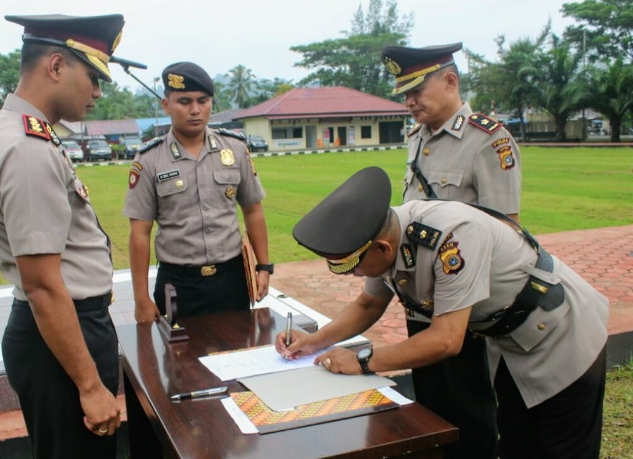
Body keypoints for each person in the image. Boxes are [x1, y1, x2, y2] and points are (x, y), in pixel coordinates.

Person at [278, 167, 608, 459]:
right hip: (512, 342)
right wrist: (315, 340)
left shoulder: (452, 237)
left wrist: (362, 360)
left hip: (562, 333)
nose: (353, 275)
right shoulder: (382, 235)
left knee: (563, 448)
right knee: (517, 445)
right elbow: (368, 305)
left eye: (351, 266)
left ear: (382, 248)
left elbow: (446, 340)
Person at [0, 14, 140, 458]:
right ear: (55, 66)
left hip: (60, 334)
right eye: (93, 76)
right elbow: (44, 285)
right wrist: (89, 386)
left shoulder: (21, 133)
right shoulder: (27, 148)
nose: (98, 92)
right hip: (63, 340)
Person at [379, 42, 523, 459]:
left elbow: (504, 230)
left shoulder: (488, 140)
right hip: (421, 301)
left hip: (467, 312)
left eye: (416, 90)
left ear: (450, 81)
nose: (409, 101)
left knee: (472, 417)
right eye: (403, 93)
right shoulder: (417, 139)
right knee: (432, 411)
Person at [124, 61, 272, 323]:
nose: (195, 110)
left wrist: (264, 267)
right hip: (178, 284)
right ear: (166, 105)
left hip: (231, 280)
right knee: (176, 362)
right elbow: (140, 233)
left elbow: (253, 209)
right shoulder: (149, 159)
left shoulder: (235, 148)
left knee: (237, 356)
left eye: (203, 101)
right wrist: (141, 298)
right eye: (184, 101)